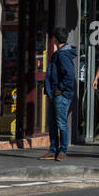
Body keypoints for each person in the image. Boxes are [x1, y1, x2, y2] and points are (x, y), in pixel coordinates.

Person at [41, 27, 77, 162]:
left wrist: (60, 89)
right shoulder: (60, 53)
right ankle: (53, 150)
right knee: (53, 123)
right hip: (55, 93)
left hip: (61, 95)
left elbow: (69, 74)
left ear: (55, 38)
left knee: (61, 123)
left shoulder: (62, 55)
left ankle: (62, 151)